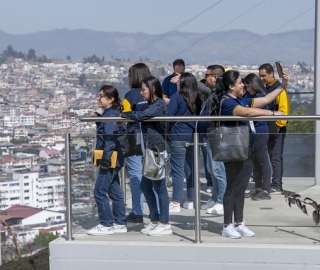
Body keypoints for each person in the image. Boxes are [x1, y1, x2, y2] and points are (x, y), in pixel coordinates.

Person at [215, 70, 288, 239]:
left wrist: (283, 86)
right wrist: (272, 113)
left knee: (240, 188)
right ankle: (227, 225)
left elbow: (265, 100)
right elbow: (248, 113)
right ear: (231, 86)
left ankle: (239, 223)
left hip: (245, 148)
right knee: (232, 188)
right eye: (240, 82)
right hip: (233, 149)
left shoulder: (240, 99)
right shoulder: (227, 102)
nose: (243, 85)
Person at [122, 76, 172, 236]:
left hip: (157, 151)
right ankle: (155, 220)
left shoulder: (158, 105)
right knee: (145, 186)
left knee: (160, 187)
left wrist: (126, 115)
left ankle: (164, 223)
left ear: (153, 90)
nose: (141, 93)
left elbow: (142, 116)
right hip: (150, 151)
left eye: (144, 90)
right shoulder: (152, 104)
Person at [87, 85, 127, 235]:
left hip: (110, 158)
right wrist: (98, 119)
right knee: (114, 191)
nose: (99, 98)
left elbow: (110, 140)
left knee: (99, 191)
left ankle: (106, 224)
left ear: (110, 100)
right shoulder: (111, 114)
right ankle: (120, 222)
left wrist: (104, 161)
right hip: (115, 158)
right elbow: (107, 132)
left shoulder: (111, 116)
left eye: (102, 96)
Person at [167, 72, 202, 212]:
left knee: (177, 171)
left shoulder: (177, 97)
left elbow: (169, 116)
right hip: (193, 135)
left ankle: (175, 202)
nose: (177, 84)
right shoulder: (198, 98)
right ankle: (190, 200)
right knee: (191, 169)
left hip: (178, 136)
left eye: (179, 82)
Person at [121, 63, 151, 223]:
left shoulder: (129, 95)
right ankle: (157, 211)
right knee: (153, 173)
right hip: (151, 137)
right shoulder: (153, 94)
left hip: (132, 137)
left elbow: (124, 118)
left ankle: (137, 211)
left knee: (135, 175)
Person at [198, 65, 227, 215]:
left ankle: (221, 201)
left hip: (215, 136)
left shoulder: (219, 94)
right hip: (208, 136)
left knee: (218, 170)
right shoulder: (212, 94)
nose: (205, 78)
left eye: (207, 75)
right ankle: (215, 198)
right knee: (212, 169)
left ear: (215, 77)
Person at [259, 63, 290, 193]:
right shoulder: (269, 88)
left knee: (275, 157)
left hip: (276, 129)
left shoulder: (278, 89)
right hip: (270, 128)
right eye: (260, 76)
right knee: (271, 156)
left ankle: (277, 184)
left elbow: (284, 111)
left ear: (271, 74)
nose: (261, 79)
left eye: (264, 76)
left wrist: (277, 126)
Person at [243, 73, 272, 200]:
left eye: (248, 87)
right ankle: (258, 187)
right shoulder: (252, 95)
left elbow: (249, 108)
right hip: (253, 131)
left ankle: (266, 189)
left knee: (263, 161)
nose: (247, 89)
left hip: (260, 131)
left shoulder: (260, 97)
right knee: (256, 161)